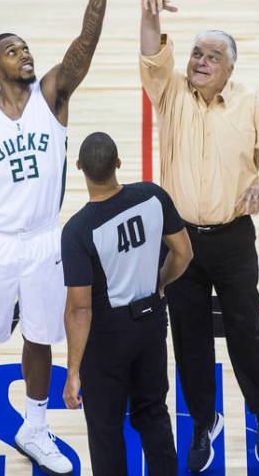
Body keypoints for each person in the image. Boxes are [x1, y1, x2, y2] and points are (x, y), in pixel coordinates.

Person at [0, 0, 134, 476]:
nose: (24, 53)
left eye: (26, 47)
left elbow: (86, 42)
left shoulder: (53, 97)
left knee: (39, 339)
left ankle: (35, 425)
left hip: (45, 240)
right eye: (12, 50)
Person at [138, 0, 259, 471]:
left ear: (230, 69)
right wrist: (149, 16)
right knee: (189, 337)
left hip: (234, 240)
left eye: (213, 56)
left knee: (246, 331)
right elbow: (152, 55)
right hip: (178, 242)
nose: (200, 60)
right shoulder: (170, 93)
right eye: (196, 52)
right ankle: (201, 421)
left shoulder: (251, 104)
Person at [61, 132, 192, 476]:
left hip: (108, 335)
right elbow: (184, 253)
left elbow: (80, 308)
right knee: (153, 413)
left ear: (79, 168)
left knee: (105, 429)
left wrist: (73, 371)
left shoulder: (79, 230)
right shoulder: (152, 196)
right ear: (118, 163)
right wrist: (161, 281)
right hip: (150, 323)